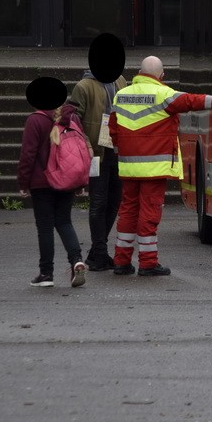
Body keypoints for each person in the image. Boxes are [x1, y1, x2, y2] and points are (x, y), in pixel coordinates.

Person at [108, 56, 212, 276]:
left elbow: (112, 130)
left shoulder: (121, 95)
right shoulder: (163, 94)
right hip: (153, 168)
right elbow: (190, 100)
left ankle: (121, 261)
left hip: (129, 167)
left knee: (128, 211)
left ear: (139, 73)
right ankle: (148, 263)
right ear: (161, 76)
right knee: (149, 213)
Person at [18, 77, 88, 288]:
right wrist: (80, 182)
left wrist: (23, 182)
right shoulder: (71, 119)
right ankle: (76, 259)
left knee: (45, 227)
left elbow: (27, 155)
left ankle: (46, 274)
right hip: (67, 179)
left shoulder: (35, 120)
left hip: (42, 182)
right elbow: (80, 151)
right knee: (65, 221)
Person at [69, 33, 127, 271]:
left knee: (115, 201)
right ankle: (100, 251)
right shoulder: (84, 86)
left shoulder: (121, 81)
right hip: (95, 152)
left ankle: (96, 250)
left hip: (118, 150)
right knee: (98, 202)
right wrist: (85, 144)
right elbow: (73, 119)